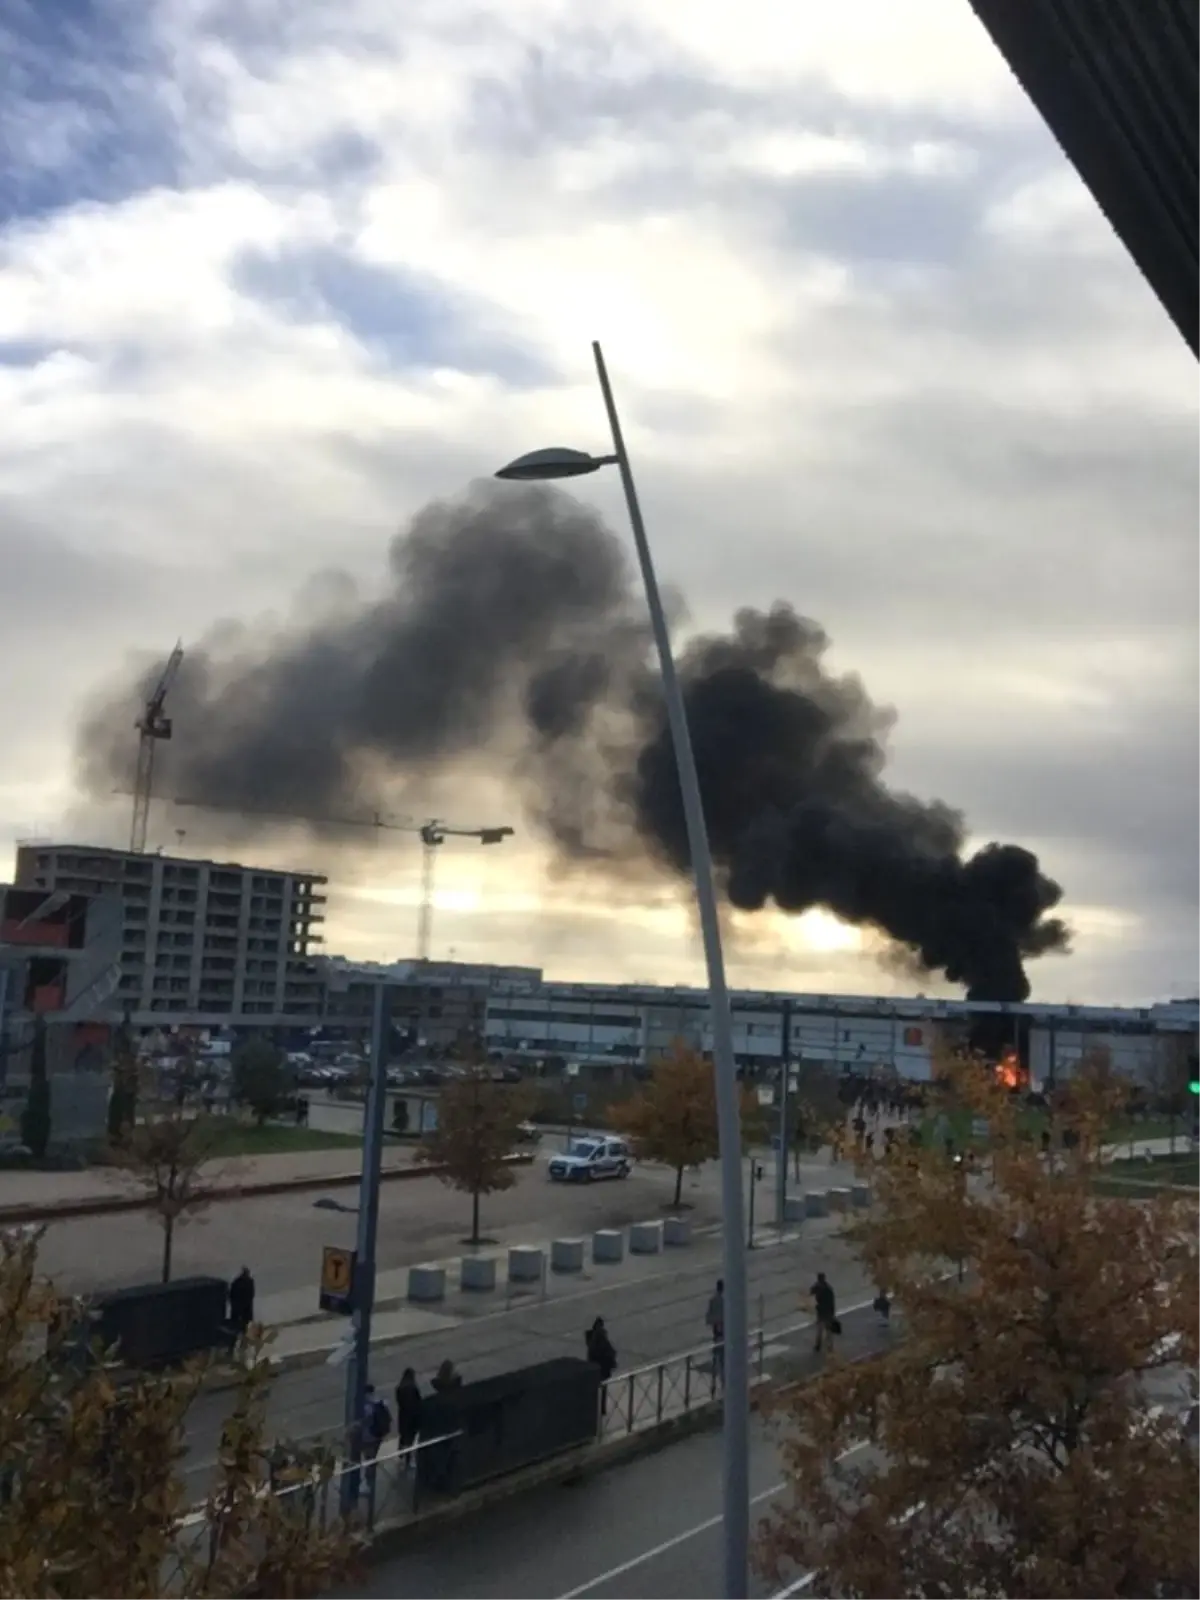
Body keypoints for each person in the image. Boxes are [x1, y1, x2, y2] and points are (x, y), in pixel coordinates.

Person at [585, 1317, 617, 1414]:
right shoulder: (601, 1337)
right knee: (602, 1389)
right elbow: (609, 1351)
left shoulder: (591, 1338)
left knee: (594, 1389)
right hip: (602, 1367)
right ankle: (602, 1409)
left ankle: (595, 1408)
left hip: (593, 1367)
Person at [395, 1369, 423, 1468]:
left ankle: (401, 1453)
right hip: (412, 1418)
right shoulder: (413, 1388)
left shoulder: (399, 1388)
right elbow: (418, 1402)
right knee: (410, 1439)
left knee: (403, 1436)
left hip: (403, 1416)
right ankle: (407, 1459)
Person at [228, 1266, 255, 1347]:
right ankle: (244, 1342)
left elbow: (231, 1294)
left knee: (235, 1326)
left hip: (238, 1307)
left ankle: (233, 1343)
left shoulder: (236, 1282)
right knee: (245, 1326)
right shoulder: (250, 1281)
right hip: (246, 1307)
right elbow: (252, 1294)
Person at [706, 1279, 725, 1389]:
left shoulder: (712, 1300)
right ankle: (723, 1383)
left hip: (716, 1333)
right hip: (724, 1332)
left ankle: (714, 1383)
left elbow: (708, 1318)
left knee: (716, 1357)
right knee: (723, 1359)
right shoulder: (725, 1300)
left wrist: (714, 1321)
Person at [811, 1271, 837, 1353]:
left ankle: (819, 1346)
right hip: (827, 1312)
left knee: (820, 1329)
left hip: (822, 1312)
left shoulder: (819, 1287)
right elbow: (832, 1302)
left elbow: (811, 1291)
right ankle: (829, 1346)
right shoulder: (828, 1289)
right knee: (827, 1331)